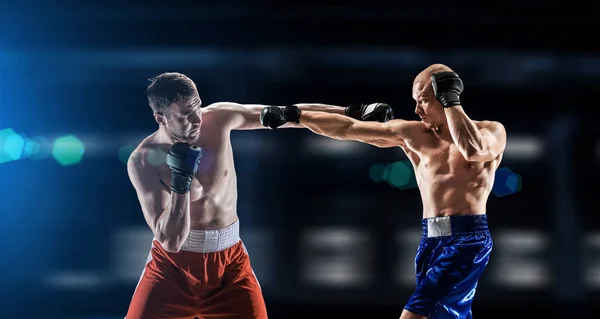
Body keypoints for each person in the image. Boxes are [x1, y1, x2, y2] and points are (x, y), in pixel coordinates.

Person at [124, 71, 393, 319]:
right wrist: (181, 183)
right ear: (161, 118)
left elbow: (290, 114)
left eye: (197, 109)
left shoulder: (217, 118)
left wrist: (352, 112)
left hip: (229, 264)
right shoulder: (144, 160)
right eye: (185, 115)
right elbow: (170, 241)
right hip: (173, 269)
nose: (197, 120)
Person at [259, 64, 507, 319]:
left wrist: (452, 101)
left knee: (416, 314)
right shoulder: (415, 135)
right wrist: (294, 114)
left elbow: (473, 151)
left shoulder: (491, 131)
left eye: (422, 100)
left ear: (444, 96)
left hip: (468, 240)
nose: (417, 110)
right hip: (430, 239)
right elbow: (348, 128)